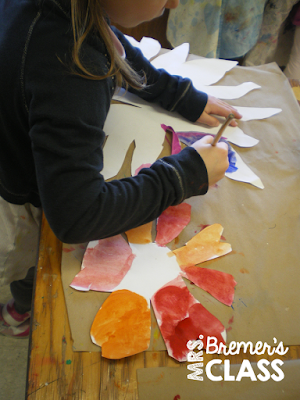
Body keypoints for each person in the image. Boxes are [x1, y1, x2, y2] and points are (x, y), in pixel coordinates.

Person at [0, 0, 241, 338]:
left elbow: (108, 40)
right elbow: (77, 215)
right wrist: (186, 175)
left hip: (20, 153)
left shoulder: (71, 13)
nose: (175, 3)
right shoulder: (69, 64)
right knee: (35, 266)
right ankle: (19, 311)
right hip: (22, 198)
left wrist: (178, 95)